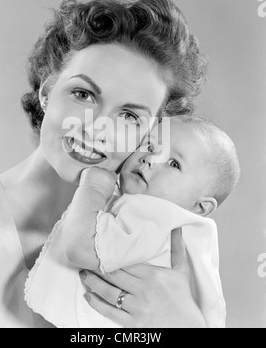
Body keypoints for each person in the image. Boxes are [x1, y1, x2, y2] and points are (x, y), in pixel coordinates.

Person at [0, 0, 208, 328]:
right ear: (47, 91)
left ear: (152, 136)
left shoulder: (157, 249)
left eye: (129, 116)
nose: (98, 128)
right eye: (84, 94)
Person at [25, 116, 240, 328]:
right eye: (149, 145)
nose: (150, 158)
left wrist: (93, 188)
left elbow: (83, 248)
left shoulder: (157, 215)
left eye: (174, 163)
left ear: (200, 206)